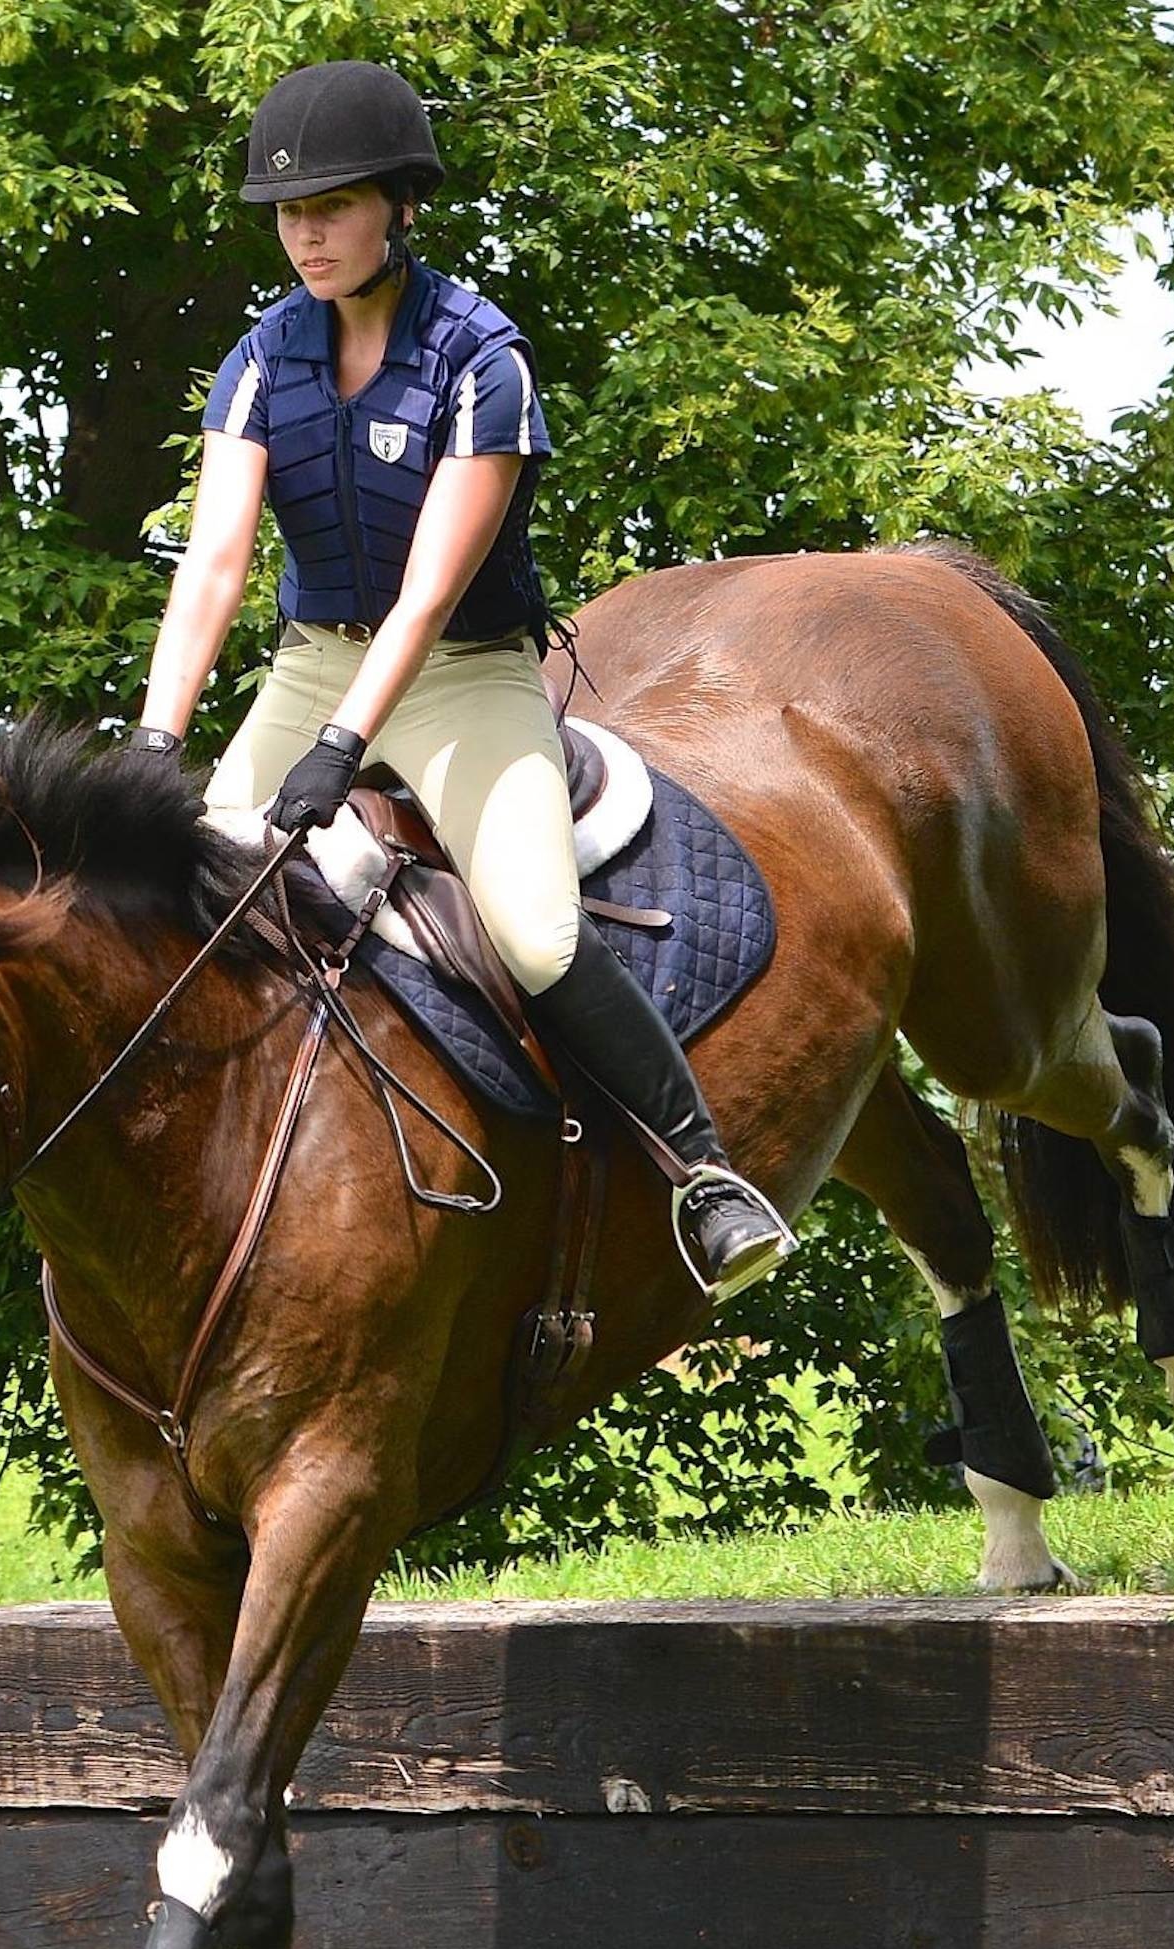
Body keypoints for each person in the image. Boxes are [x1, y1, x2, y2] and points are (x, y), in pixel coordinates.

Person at [131, 60, 793, 1302]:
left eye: (331, 205)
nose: (306, 233)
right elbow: (215, 564)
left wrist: (343, 744)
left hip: (460, 675)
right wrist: (158, 741)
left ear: (400, 207)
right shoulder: (262, 359)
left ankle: (703, 1175)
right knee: (187, 905)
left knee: (536, 931)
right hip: (312, 656)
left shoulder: (481, 358)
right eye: (288, 212)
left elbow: (433, 589)